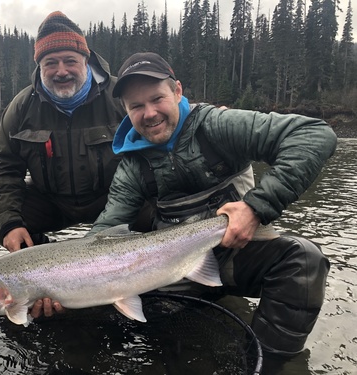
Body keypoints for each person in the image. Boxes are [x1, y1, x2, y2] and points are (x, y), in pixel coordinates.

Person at [84, 52, 337, 357]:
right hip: (173, 271)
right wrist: (60, 282)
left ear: (177, 91)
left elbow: (313, 134)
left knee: (304, 261)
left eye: (157, 99)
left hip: (239, 254)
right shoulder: (132, 165)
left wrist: (255, 208)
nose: (149, 113)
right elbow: (106, 229)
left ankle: (267, 362)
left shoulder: (217, 124)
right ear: (126, 110)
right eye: (136, 106)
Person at [0, 12, 151, 317]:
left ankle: (145, 273)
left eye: (70, 61)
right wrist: (11, 222)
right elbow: (3, 168)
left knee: (157, 208)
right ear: (39, 67)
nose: (61, 71)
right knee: (0, 218)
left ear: (86, 60)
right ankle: (49, 280)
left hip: (113, 202)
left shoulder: (120, 97)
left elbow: (161, 130)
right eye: (50, 63)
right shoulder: (22, 107)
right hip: (54, 202)